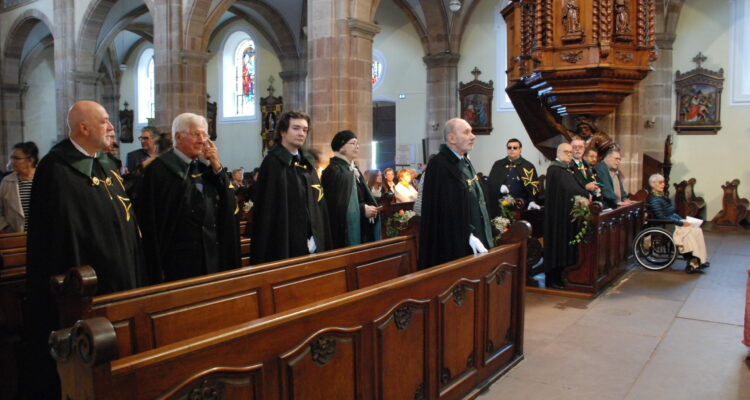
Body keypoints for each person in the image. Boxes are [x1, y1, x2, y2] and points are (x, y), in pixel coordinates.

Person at [25, 101, 145, 398]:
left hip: (119, 276)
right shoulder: (56, 169)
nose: (111, 127)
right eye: (104, 121)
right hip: (84, 280)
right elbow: (60, 234)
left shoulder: (104, 164)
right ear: (83, 127)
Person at [137, 113, 240, 283]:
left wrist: (216, 165)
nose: (202, 140)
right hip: (178, 262)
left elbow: (229, 203)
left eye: (205, 135)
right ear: (178, 137)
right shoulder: (159, 171)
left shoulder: (206, 169)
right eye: (196, 134)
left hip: (211, 257)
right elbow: (151, 223)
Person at [250, 110, 331, 264]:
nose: (301, 133)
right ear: (282, 131)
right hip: (284, 246)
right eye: (296, 128)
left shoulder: (306, 164)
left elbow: (318, 204)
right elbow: (267, 213)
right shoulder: (273, 163)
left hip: (312, 244)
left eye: (305, 130)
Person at [419, 118, 493, 269]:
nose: (473, 136)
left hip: (474, 238)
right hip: (454, 243)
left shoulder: (464, 161)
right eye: (467, 132)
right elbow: (446, 210)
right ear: (452, 138)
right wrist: (467, 234)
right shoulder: (440, 165)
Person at [542, 142, 591, 289]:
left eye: (571, 152)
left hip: (567, 215)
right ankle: (554, 278)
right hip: (558, 217)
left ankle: (566, 274)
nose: (570, 154)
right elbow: (567, 189)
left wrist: (585, 192)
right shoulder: (555, 169)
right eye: (566, 152)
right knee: (558, 245)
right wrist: (583, 194)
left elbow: (578, 186)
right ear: (558, 153)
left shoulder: (569, 169)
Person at [321, 130, 381, 249]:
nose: (357, 146)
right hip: (342, 234)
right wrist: (363, 209)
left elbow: (362, 195)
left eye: (358, 143)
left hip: (362, 227)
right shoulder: (333, 171)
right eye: (353, 143)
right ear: (341, 147)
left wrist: (370, 207)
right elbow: (334, 205)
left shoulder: (354, 169)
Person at [647, 173, 709, 273]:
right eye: (660, 182)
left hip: (672, 221)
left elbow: (670, 213)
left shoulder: (661, 196)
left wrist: (681, 221)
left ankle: (700, 259)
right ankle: (693, 260)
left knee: (697, 230)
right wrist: (680, 223)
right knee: (691, 232)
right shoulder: (655, 199)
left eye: (663, 182)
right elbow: (661, 217)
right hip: (666, 225)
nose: (663, 184)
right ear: (653, 184)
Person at [487, 138, 541, 218]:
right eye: (509, 148)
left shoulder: (528, 166)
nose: (512, 150)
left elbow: (534, 187)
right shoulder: (498, 164)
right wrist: (499, 187)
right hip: (500, 206)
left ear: (520, 149)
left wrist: (532, 201)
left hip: (521, 206)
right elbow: (490, 182)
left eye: (515, 148)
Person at [0, 142, 39, 233]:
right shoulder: (6, 181)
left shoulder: (44, 178)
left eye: (16, 158)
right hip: (14, 235)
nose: (12, 161)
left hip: (41, 235)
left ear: (30, 160)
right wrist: (4, 228)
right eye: (12, 158)